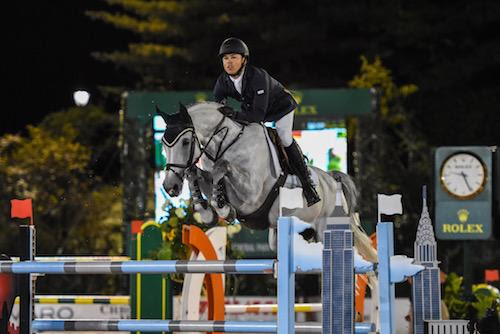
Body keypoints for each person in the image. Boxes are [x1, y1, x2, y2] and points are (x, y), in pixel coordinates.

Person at [213, 37, 320, 206]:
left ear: (244, 60)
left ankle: (308, 184)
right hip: (255, 110)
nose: (229, 62)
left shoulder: (257, 76)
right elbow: (217, 111)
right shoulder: (222, 82)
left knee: (284, 137)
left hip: (281, 107)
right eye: (225, 58)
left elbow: (257, 117)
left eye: (234, 57)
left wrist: (233, 114)